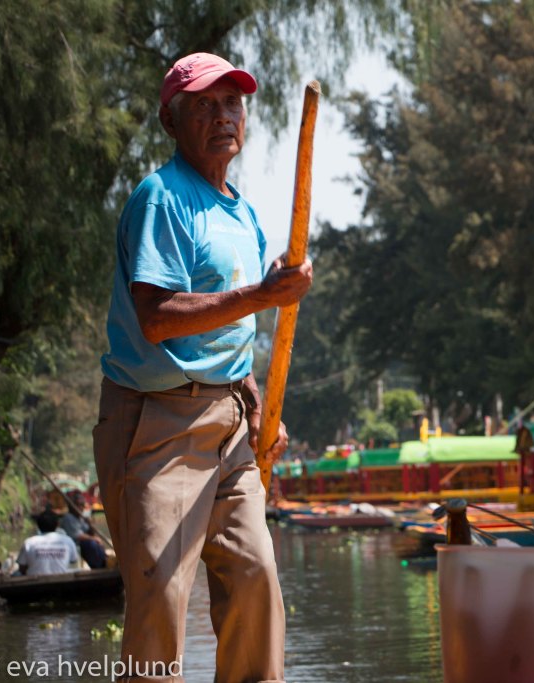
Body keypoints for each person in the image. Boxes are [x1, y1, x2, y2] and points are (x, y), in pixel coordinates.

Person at [93, 52, 312, 682]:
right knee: (160, 596)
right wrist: (262, 295)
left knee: (255, 577)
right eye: (204, 105)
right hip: (157, 427)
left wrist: (259, 408)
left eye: (232, 103)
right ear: (171, 121)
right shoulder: (161, 197)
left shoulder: (242, 213)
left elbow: (231, 336)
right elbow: (157, 317)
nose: (223, 117)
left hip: (230, 426)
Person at [16, 508, 78, 576]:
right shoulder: (68, 541)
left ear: (38, 525)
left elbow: (22, 568)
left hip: (35, 581)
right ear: (57, 525)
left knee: (16, 574)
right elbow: (73, 561)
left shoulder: (29, 542)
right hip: (62, 581)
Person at [58, 490, 107, 569]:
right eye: (79, 505)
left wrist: (90, 525)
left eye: (83, 505)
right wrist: (94, 538)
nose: (82, 507)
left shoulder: (80, 517)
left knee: (98, 543)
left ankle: (104, 563)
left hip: (84, 543)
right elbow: (78, 536)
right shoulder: (69, 518)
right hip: (75, 544)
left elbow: (90, 533)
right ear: (73, 506)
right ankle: (98, 567)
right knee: (92, 544)